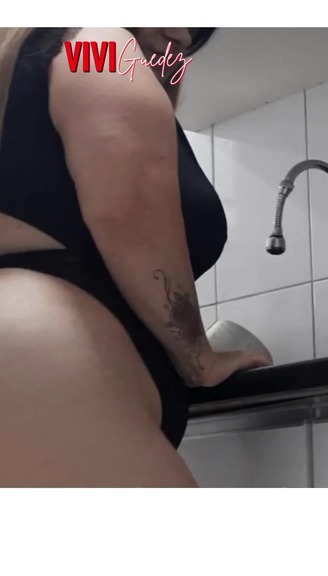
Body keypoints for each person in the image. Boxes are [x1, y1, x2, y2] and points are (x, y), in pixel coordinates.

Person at [0, 27, 272, 487]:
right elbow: (130, 204)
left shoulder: (31, 66)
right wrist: (198, 357)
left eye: (197, 28)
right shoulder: (98, 43)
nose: (181, 34)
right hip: (39, 359)